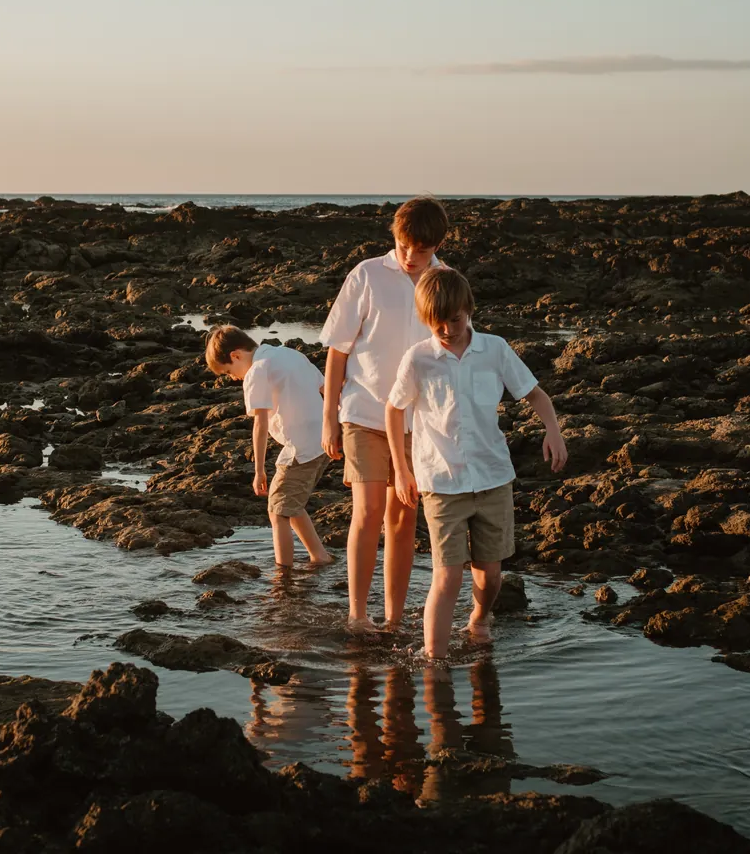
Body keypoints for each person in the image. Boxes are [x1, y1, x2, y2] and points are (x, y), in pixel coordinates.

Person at [385, 267, 568, 660]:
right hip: (440, 482)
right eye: (437, 323)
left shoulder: (495, 349)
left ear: (468, 309)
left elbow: (536, 394)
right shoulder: (418, 358)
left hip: (492, 477)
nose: (447, 330)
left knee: (491, 574)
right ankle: (433, 659)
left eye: (454, 320)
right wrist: (401, 470)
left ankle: (480, 618)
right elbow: (393, 409)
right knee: (447, 575)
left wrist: (553, 431)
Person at [320, 196, 450, 632]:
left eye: (422, 250)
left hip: (419, 421)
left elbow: (453, 352)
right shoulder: (367, 274)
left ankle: (393, 620)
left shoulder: (446, 282)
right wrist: (329, 418)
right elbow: (338, 351)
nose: (411, 256)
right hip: (364, 412)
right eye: (404, 245)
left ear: (437, 246)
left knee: (403, 516)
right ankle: (358, 616)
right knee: (369, 510)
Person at [205, 325, 333, 567]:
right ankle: (320, 557)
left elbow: (260, 425)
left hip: (301, 447)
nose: (233, 378)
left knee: (277, 511)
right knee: (290, 504)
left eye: (229, 371)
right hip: (323, 440)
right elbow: (326, 389)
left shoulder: (257, 371)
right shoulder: (289, 353)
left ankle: (283, 575)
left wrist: (259, 470)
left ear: (236, 355)